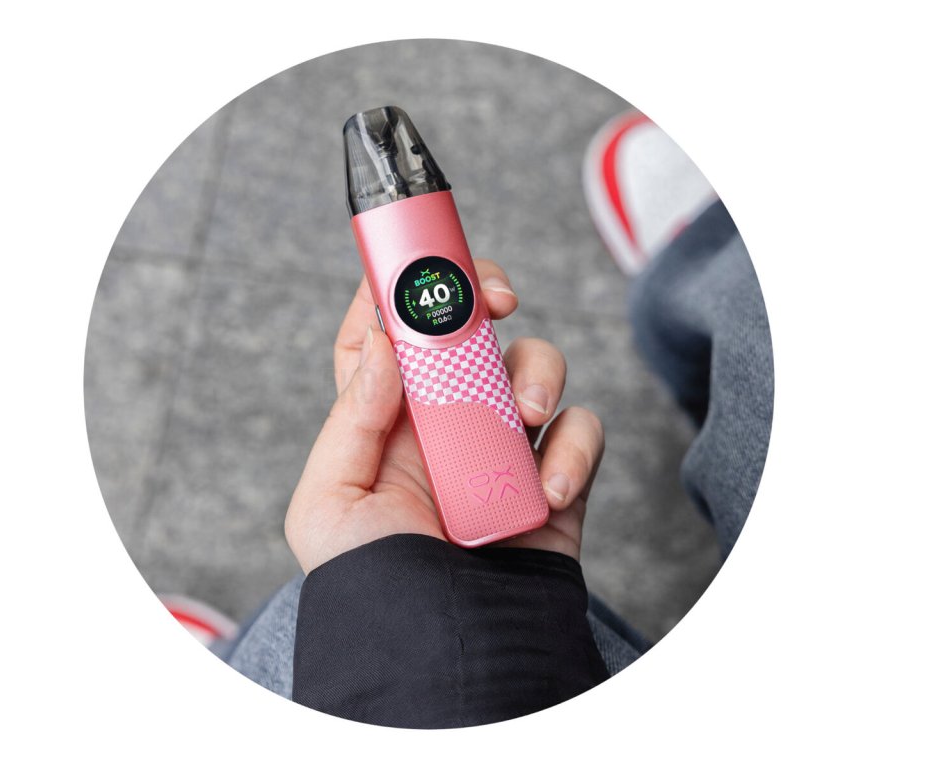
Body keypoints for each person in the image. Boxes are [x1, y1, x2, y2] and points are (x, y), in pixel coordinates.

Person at [164, 111, 774, 728]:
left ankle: (240, 668)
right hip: (507, 663)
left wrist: (383, 580)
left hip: (419, 667)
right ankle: (709, 266)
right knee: (759, 359)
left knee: (298, 633)